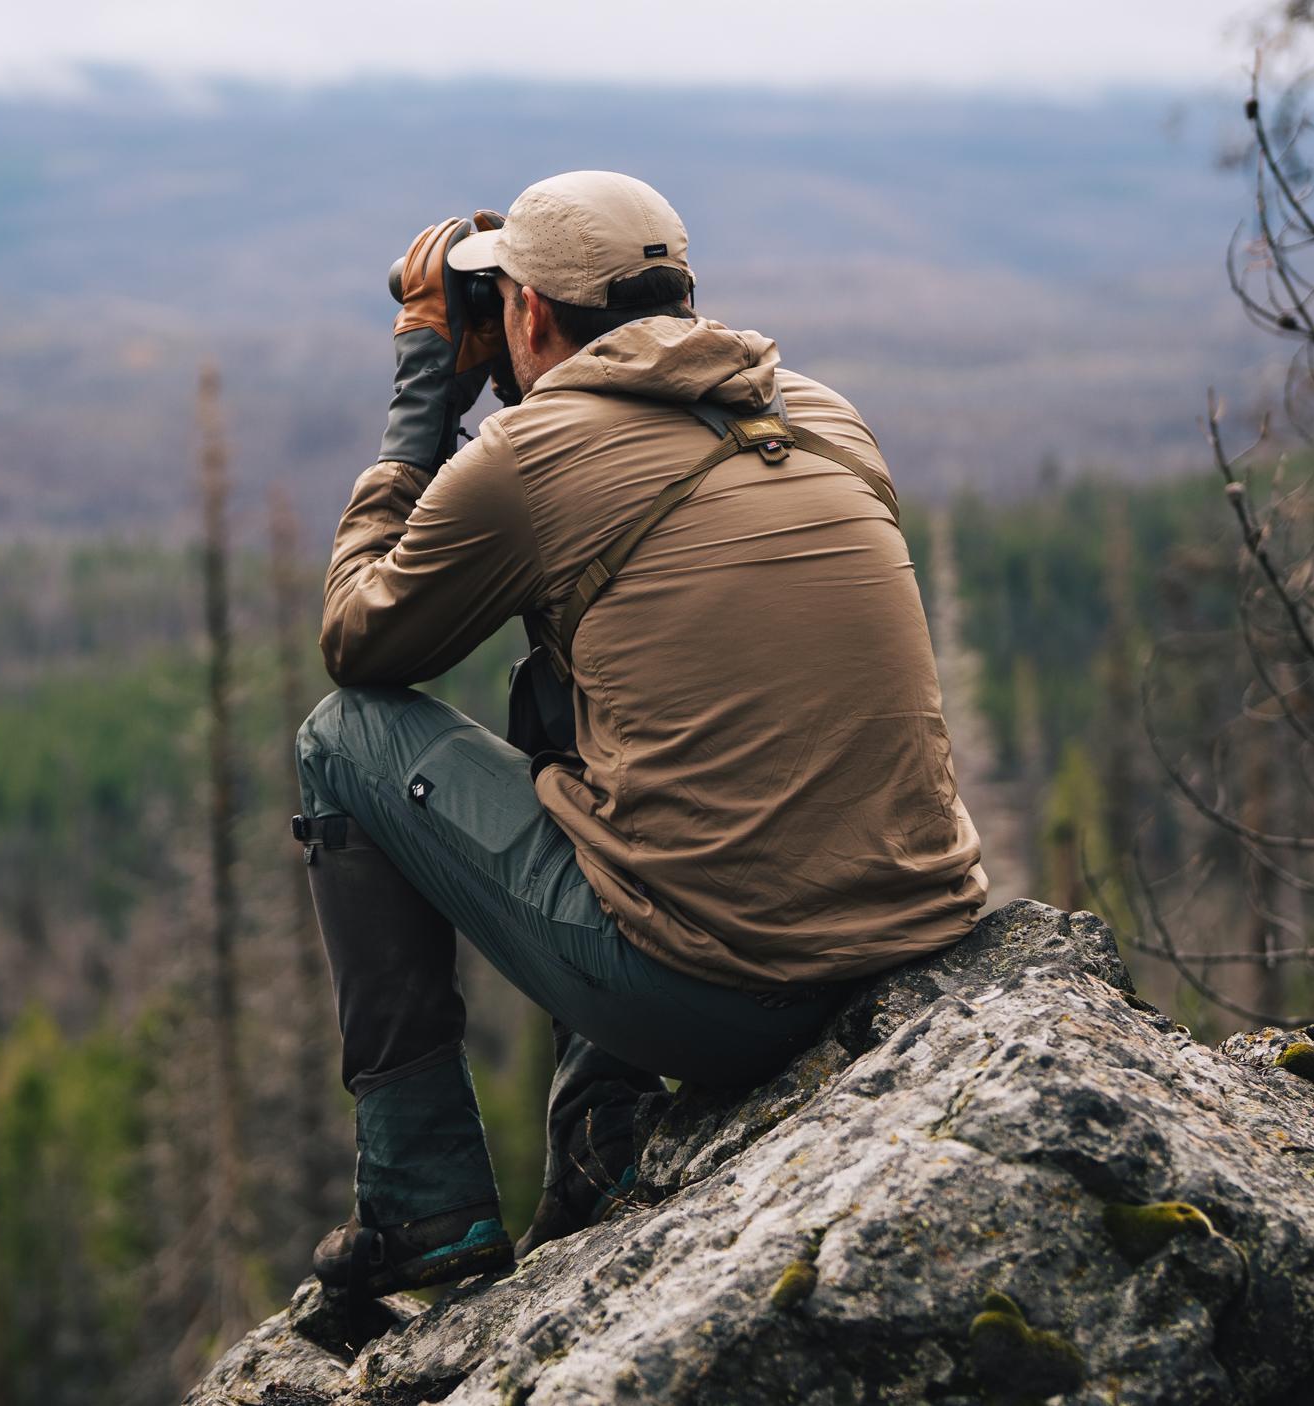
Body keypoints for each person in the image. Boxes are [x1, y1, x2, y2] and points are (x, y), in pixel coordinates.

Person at [296, 170, 987, 1301]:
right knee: (588, 677)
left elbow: (360, 643)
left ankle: (422, 1205)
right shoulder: (817, 410)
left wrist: (422, 405)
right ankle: (602, 1136)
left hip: (721, 996)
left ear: (523, 314)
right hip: (910, 933)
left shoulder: (525, 462)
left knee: (343, 737)